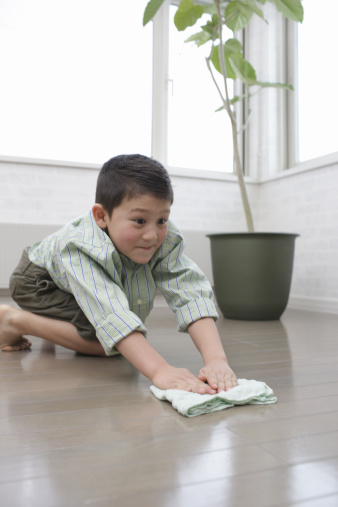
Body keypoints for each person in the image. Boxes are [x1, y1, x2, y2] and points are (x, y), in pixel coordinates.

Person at [0, 154, 237, 394]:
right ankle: (13, 320)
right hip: (37, 281)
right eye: (140, 220)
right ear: (101, 216)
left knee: (119, 338)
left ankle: (51, 325)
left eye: (162, 219)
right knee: (105, 343)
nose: (152, 235)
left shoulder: (165, 239)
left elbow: (189, 291)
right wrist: (160, 370)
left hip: (60, 278)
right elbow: (111, 316)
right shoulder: (80, 249)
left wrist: (217, 359)